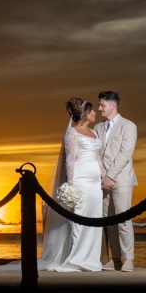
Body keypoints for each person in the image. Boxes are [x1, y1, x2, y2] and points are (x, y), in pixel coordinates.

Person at [38, 97, 105, 272]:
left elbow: (98, 159)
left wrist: (105, 176)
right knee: (80, 219)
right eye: (91, 111)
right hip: (80, 180)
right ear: (83, 114)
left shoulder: (95, 133)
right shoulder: (71, 133)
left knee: (95, 219)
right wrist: (70, 184)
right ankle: (76, 259)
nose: (94, 112)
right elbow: (70, 159)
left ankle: (91, 259)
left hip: (95, 182)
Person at [95, 90, 137, 272]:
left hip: (122, 179)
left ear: (113, 105)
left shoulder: (128, 126)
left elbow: (125, 154)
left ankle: (129, 260)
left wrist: (110, 176)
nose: (98, 108)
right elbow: (97, 155)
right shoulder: (97, 128)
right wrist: (103, 176)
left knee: (124, 220)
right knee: (109, 221)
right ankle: (116, 259)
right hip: (103, 181)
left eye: (102, 105)